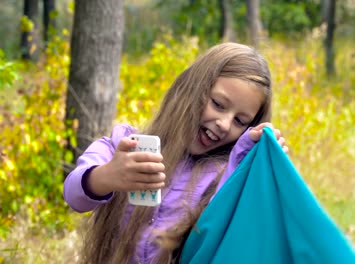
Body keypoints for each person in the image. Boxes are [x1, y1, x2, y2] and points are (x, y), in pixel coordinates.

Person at [63, 42, 288, 264]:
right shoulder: (125, 145)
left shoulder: (226, 174)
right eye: (218, 104)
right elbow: (74, 196)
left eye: (240, 121)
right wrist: (107, 176)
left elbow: (226, 225)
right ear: (191, 88)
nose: (224, 124)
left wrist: (253, 161)